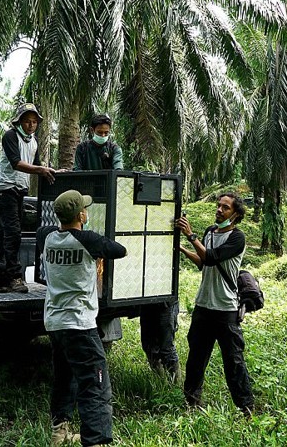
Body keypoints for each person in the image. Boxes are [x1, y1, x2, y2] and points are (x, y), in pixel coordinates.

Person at [73, 113, 180, 382]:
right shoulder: (84, 148)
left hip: (110, 196)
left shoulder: (114, 148)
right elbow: (77, 173)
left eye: (107, 130)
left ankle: (170, 373)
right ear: (92, 129)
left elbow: (118, 172)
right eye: (99, 130)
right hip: (92, 197)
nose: (103, 133)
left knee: (164, 334)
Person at [38, 190, 127, 447]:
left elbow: (51, 231)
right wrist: (94, 239)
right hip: (80, 323)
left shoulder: (47, 237)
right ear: (81, 215)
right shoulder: (87, 240)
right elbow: (119, 250)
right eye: (85, 209)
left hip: (55, 323)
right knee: (95, 384)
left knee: (64, 376)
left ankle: (59, 432)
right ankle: (95, 440)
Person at [175, 192, 254, 417]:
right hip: (203, 306)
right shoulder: (210, 232)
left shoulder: (237, 238)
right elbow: (203, 262)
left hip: (225, 309)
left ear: (236, 214)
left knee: (234, 362)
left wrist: (190, 236)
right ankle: (191, 403)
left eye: (226, 207)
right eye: (219, 206)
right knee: (196, 359)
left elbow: (211, 257)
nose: (219, 210)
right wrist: (183, 250)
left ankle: (246, 408)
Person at [0, 102, 57, 294]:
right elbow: (16, 163)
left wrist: (51, 171)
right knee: (13, 232)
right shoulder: (10, 136)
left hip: (20, 189)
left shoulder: (33, 141)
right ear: (19, 121)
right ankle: (14, 277)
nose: (31, 125)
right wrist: (42, 170)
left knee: (5, 232)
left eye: (34, 122)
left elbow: (36, 165)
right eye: (27, 121)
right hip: (5, 189)